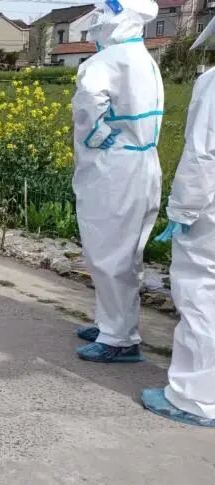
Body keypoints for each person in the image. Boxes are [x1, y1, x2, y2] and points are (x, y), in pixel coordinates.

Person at [72, 0, 163, 363]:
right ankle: (111, 322)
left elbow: (88, 107)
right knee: (126, 252)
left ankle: (118, 338)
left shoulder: (103, 62)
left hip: (114, 168)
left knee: (108, 252)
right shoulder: (144, 58)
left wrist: (97, 137)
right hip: (143, 163)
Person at [140, 19, 215, 428]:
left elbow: (203, 154)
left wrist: (183, 211)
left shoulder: (213, 83)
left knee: (200, 294)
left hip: (209, 214)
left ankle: (195, 398)